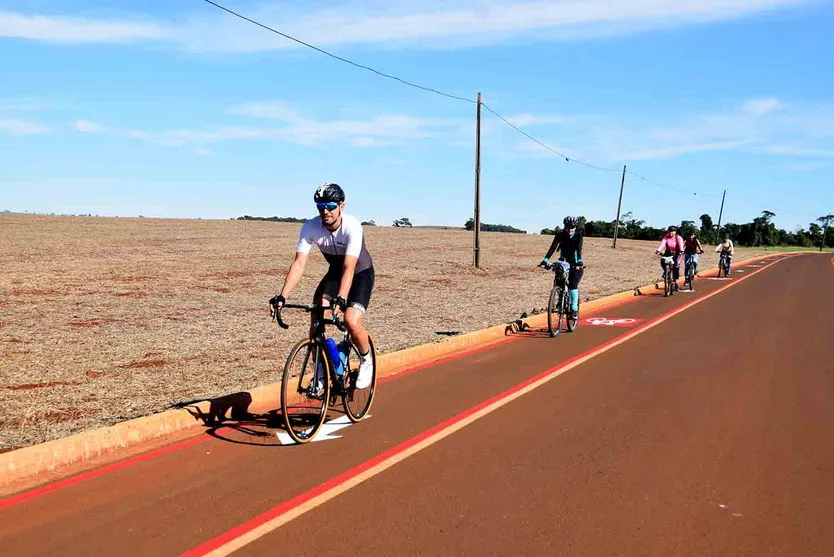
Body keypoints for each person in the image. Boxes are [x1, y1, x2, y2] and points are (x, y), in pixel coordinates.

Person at [270, 182, 375, 390]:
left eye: (330, 205)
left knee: (350, 321)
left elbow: (349, 267)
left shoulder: (352, 226)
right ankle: (320, 372)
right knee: (317, 318)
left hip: (360, 273)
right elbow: (299, 263)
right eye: (320, 206)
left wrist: (341, 298)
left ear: (341, 206)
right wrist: (283, 296)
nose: (325, 211)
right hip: (336, 273)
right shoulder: (310, 226)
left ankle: (366, 360)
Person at [539, 216, 585, 319]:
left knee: (573, 284)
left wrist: (579, 263)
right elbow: (553, 247)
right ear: (564, 227)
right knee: (559, 279)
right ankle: (560, 299)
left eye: (572, 227)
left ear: (575, 227)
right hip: (564, 262)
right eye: (567, 227)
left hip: (576, 263)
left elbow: (578, 250)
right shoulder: (560, 235)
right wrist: (545, 261)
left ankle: (574, 309)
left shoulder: (578, 236)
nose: (570, 229)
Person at [655, 225, 684, 290]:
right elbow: (662, 244)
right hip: (668, 253)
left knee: (675, 266)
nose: (671, 232)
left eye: (673, 231)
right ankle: (666, 271)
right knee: (662, 260)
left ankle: (676, 282)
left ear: (675, 232)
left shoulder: (678, 238)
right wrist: (658, 250)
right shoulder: (666, 237)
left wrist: (681, 251)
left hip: (677, 253)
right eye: (670, 231)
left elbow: (681, 245)